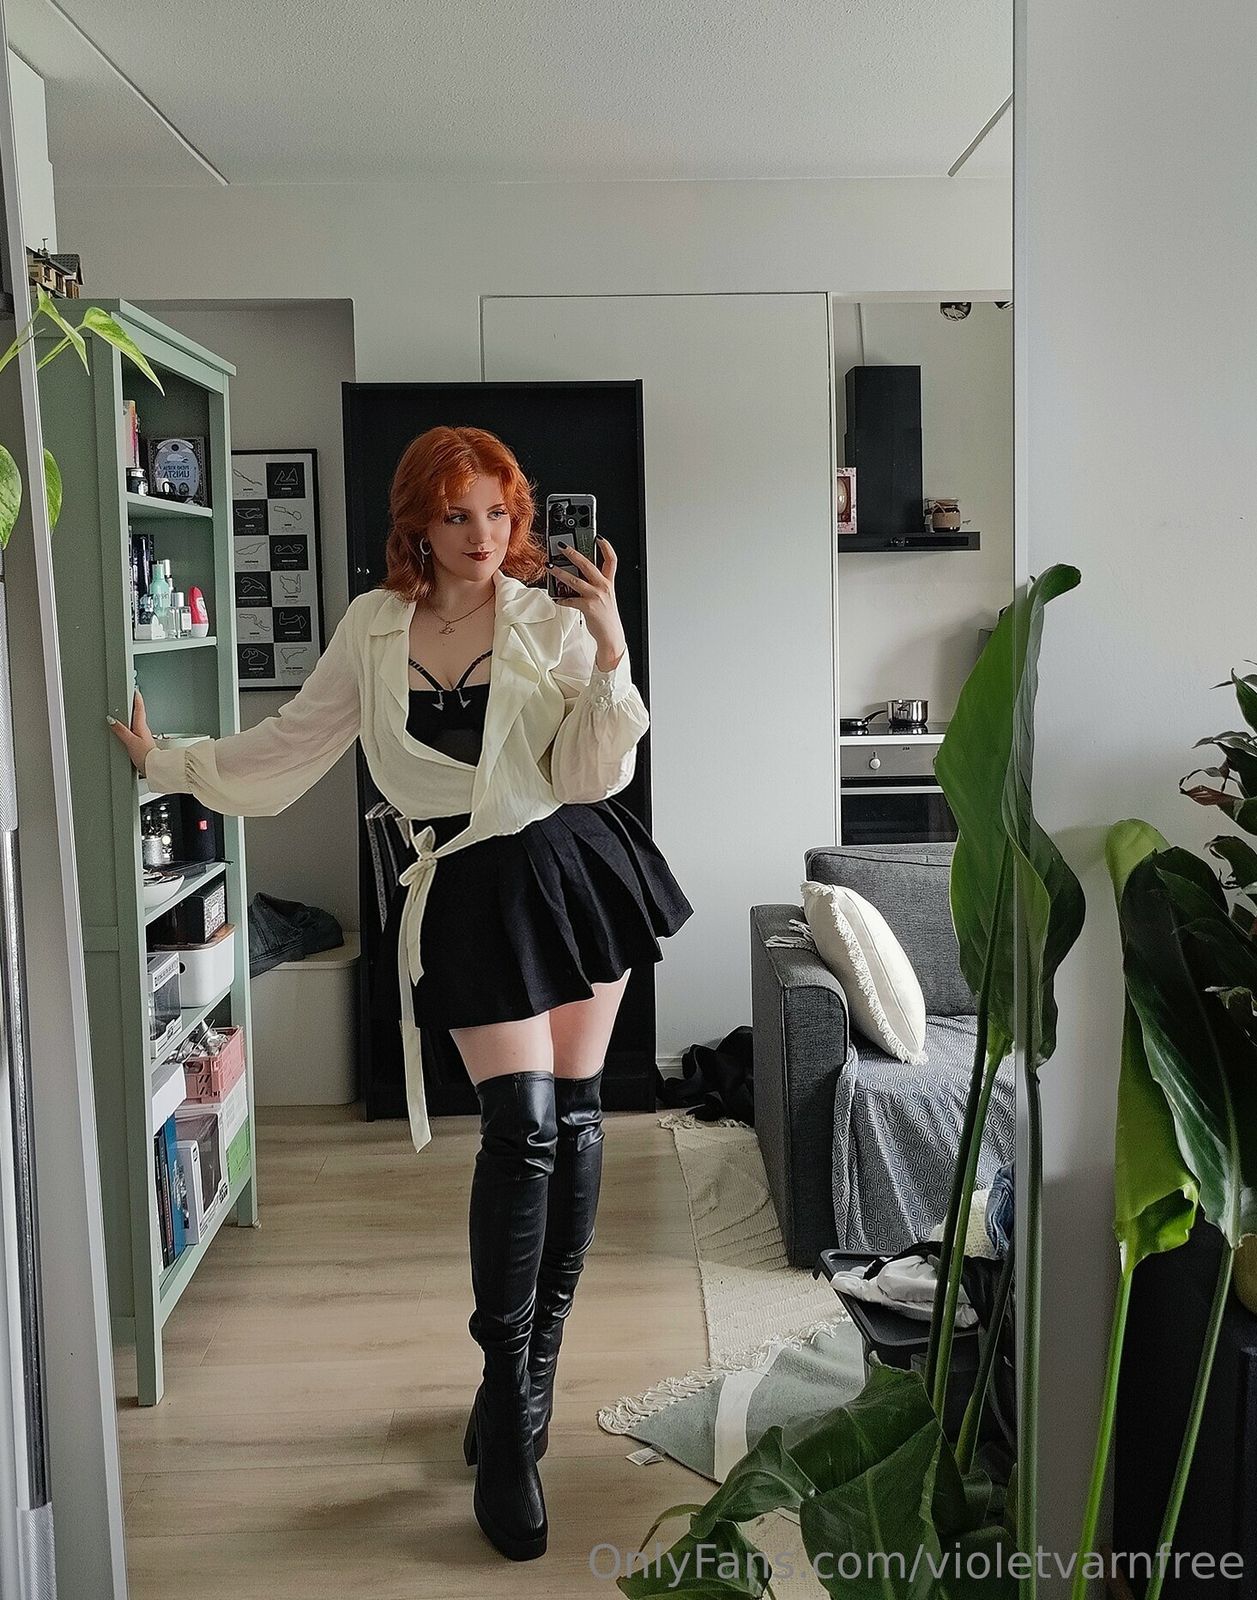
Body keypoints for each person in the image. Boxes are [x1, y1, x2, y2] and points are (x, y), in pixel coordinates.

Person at [108, 424, 693, 1563]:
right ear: (418, 522)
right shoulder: (374, 626)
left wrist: (611, 646)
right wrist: (169, 763)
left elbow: (590, 774)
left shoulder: (549, 619)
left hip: (571, 865)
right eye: (458, 514)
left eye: (499, 514)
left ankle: (526, 1391)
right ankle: (504, 1394)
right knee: (519, 1129)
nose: (483, 536)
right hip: (463, 889)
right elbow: (298, 739)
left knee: (574, 1123)